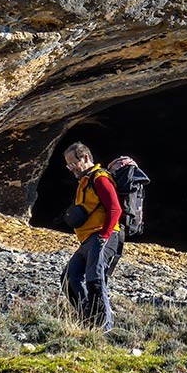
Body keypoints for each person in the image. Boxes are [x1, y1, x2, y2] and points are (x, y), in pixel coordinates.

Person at [60, 142, 122, 332]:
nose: (71, 169)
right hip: (88, 240)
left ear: (85, 158)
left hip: (104, 236)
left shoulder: (100, 179)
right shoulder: (84, 182)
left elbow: (115, 208)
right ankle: (88, 319)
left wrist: (104, 235)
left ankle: (104, 327)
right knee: (68, 278)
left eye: (73, 163)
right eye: (68, 165)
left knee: (95, 279)